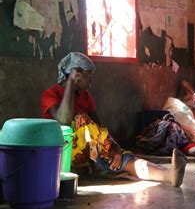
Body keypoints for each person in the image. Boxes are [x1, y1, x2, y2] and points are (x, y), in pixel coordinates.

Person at [41, 52, 186, 187]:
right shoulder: (51, 94)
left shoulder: (86, 97)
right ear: (76, 75)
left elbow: (99, 129)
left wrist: (115, 147)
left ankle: (169, 175)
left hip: (88, 155)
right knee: (80, 119)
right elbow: (63, 121)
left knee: (121, 158)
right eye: (88, 76)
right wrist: (71, 83)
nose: (91, 81)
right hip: (61, 155)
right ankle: (96, 164)